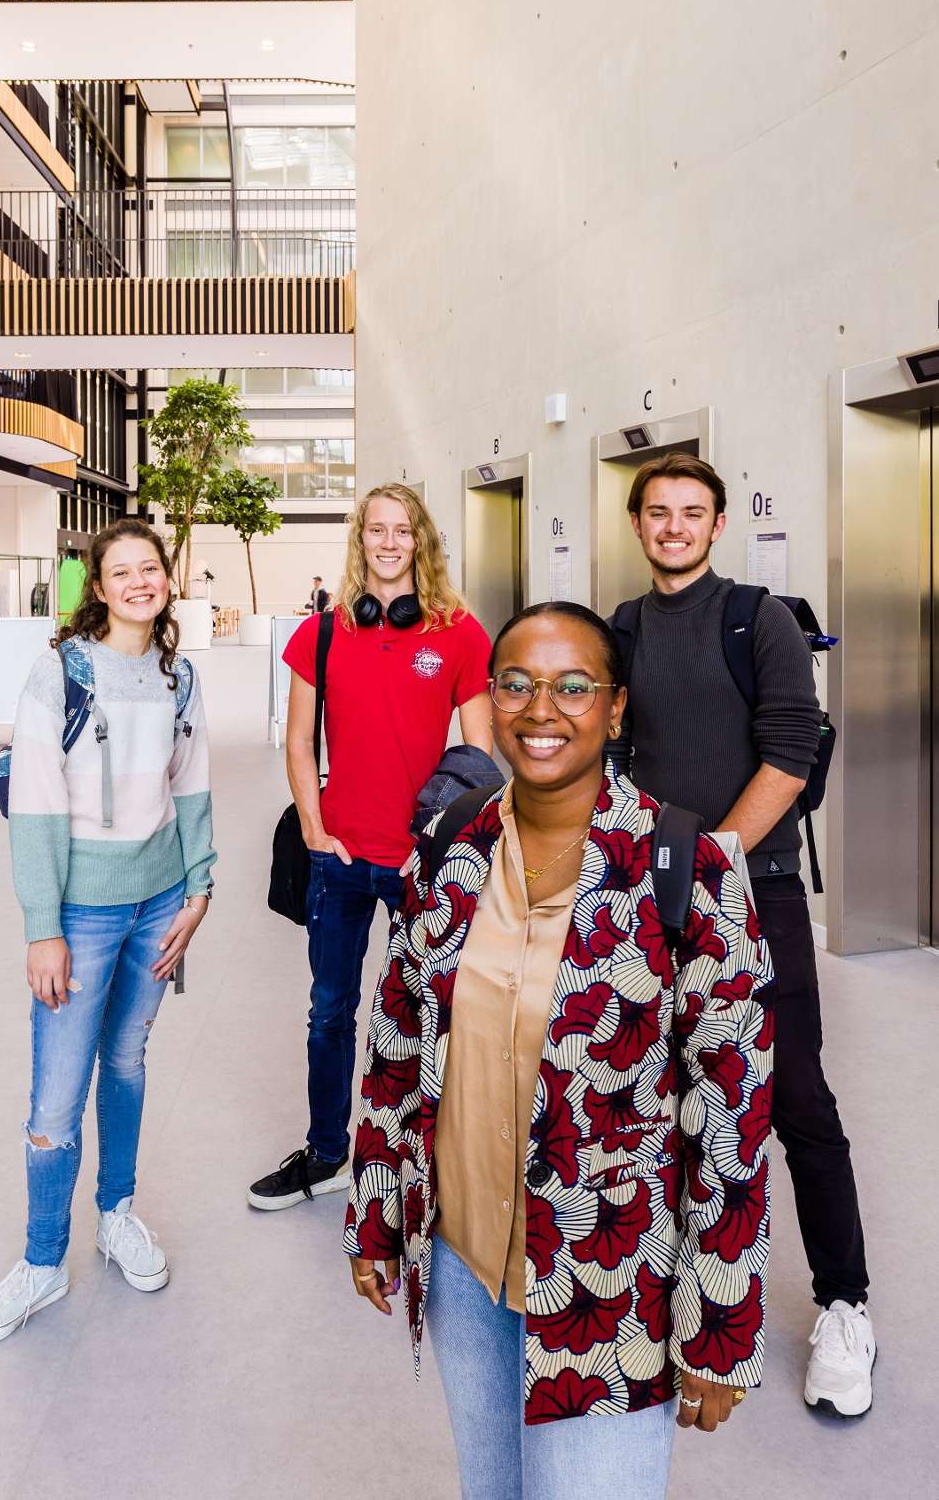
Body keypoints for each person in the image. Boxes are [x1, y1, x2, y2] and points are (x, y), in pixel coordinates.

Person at [347, 602, 774, 1500]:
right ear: (491, 700)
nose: (542, 710)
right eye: (518, 684)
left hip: (608, 1288)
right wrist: (378, 1211)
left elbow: (731, 1113)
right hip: (465, 1266)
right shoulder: (453, 845)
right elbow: (397, 1038)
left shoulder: (686, 870)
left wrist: (722, 1326)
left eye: (573, 686)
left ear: (615, 709)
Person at [616, 451, 874, 1417]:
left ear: (715, 525)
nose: (674, 526)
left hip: (751, 892)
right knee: (665, 1094)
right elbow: (609, 750)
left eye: (692, 512)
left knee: (794, 1096)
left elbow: (792, 748)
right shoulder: (625, 628)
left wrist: (714, 853)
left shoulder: (756, 618)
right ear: (639, 525)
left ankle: (845, 1306)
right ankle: (676, 1295)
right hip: (651, 897)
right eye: (658, 512)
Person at [0, 520, 216, 1349]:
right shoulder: (59, 672)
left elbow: (193, 786)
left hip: (159, 903)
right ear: (99, 588)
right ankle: (42, 1261)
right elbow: (34, 803)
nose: (139, 581)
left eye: (151, 568)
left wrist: (200, 883)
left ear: (166, 580)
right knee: (56, 1094)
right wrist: (45, 926)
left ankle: (116, 1213)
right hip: (82, 911)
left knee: (131, 1059)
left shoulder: (179, 678)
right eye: (122, 572)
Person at [248, 484, 493, 1210]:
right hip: (341, 860)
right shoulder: (321, 634)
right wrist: (316, 829)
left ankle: (423, 1160)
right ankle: (327, 1153)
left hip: (425, 863)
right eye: (376, 531)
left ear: (421, 540)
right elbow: (298, 741)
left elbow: (480, 752)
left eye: (403, 530)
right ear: (360, 541)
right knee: (331, 1011)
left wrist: (452, 844)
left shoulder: (459, 633)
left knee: (431, 1011)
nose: (389, 542)